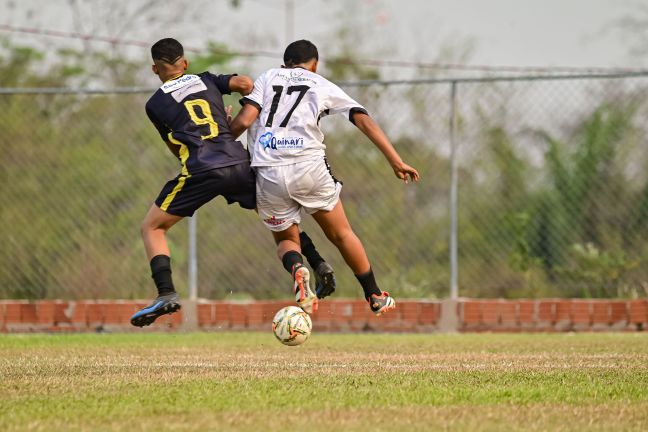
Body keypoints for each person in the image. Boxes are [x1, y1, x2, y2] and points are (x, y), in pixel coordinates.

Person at [130, 38, 335, 327]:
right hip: (237, 162)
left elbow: (177, 149)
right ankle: (314, 263)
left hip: (201, 168)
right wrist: (226, 123)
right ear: (185, 63)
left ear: (155, 69)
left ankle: (165, 293)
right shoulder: (206, 80)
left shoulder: (155, 104)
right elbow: (247, 84)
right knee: (280, 220)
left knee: (152, 227)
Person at [229, 39, 420, 316]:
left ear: (285, 64)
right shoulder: (320, 84)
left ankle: (298, 268)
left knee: (286, 241)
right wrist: (395, 159)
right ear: (314, 65)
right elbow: (361, 118)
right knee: (342, 234)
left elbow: (245, 121)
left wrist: (218, 143)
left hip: (268, 171)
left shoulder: (268, 76)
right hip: (309, 168)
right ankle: (375, 295)